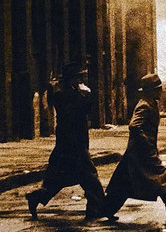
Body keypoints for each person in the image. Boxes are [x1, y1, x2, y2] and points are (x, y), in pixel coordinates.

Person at [102, 74, 166, 221]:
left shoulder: (150, 103)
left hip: (138, 151)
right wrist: (145, 142)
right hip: (142, 151)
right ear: (151, 91)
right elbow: (134, 125)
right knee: (160, 175)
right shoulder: (144, 105)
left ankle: (106, 208)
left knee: (125, 182)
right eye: (158, 89)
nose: (160, 91)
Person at [25, 62, 107, 220]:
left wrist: (85, 95)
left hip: (75, 141)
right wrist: (83, 96)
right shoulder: (62, 92)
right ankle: (97, 210)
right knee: (90, 178)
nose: (81, 80)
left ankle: (37, 197)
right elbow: (72, 112)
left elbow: (86, 110)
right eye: (78, 77)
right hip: (71, 142)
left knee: (61, 179)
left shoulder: (73, 90)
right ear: (71, 78)